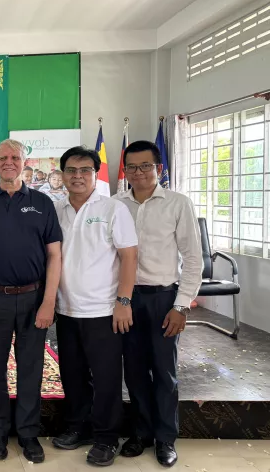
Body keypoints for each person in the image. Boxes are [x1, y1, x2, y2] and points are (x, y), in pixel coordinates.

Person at [0, 139, 62, 464]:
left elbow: (54, 255)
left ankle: (28, 434)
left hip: (35, 298)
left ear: (25, 162)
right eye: (3, 158)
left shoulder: (42, 203)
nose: (9, 162)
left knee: (31, 369)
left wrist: (49, 301)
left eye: (15, 157)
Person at [114, 140, 203, 467]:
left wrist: (181, 306)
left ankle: (166, 439)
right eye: (132, 167)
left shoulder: (177, 203)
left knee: (164, 372)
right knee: (134, 371)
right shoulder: (116, 204)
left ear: (159, 169)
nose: (138, 173)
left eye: (145, 166)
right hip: (127, 299)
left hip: (164, 298)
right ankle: (141, 433)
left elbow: (193, 259)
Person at [51, 146, 138, 467]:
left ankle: (106, 437)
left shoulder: (114, 209)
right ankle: (78, 427)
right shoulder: (56, 210)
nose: (77, 176)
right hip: (66, 310)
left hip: (104, 311)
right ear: (62, 175)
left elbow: (129, 256)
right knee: (71, 375)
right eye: (71, 170)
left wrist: (123, 301)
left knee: (106, 378)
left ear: (95, 174)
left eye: (85, 170)